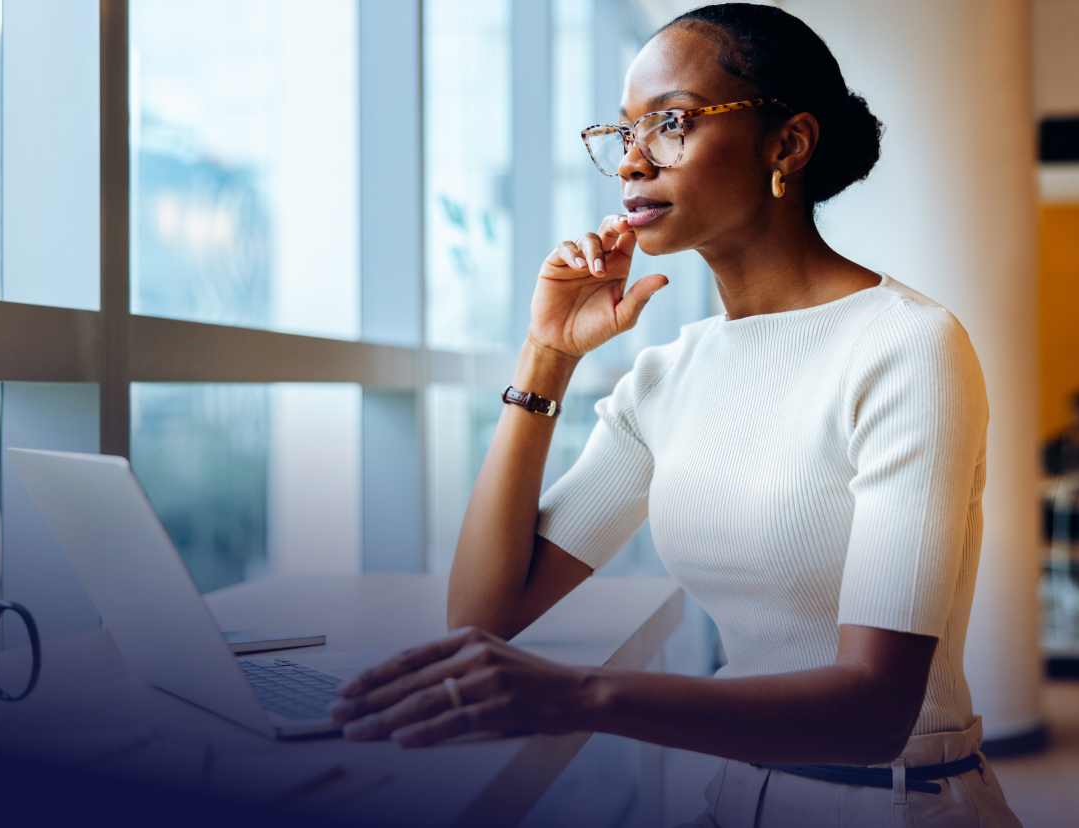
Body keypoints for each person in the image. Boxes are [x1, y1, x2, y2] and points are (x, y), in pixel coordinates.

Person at [329, 4, 1023, 825]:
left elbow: (874, 712)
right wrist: (546, 355)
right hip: (735, 799)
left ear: (788, 145)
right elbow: (486, 612)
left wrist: (579, 695)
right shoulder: (668, 375)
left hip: (898, 804)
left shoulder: (907, 346)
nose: (631, 162)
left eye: (669, 123)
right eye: (622, 133)